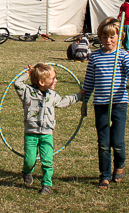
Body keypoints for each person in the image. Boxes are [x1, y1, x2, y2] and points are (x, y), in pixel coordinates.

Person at [80, 18, 129, 189]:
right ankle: (105, 175)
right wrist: (84, 100)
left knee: (117, 141)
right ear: (100, 38)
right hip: (100, 105)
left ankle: (120, 163)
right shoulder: (94, 57)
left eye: (112, 37)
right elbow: (89, 81)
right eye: (104, 37)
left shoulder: (122, 55)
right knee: (103, 142)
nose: (108, 41)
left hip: (119, 103)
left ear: (119, 37)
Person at [12, 63, 82, 195]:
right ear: (41, 82)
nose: (56, 80)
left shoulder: (53, 95)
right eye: (53, 78)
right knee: (29, 160)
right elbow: (17, 83)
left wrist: (78, 96)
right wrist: (29, 73)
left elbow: (64, 102)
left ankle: (46, 184)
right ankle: (27, 171)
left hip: (47, 134)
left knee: (47, 160)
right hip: (31, 134)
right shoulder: (27, 92)